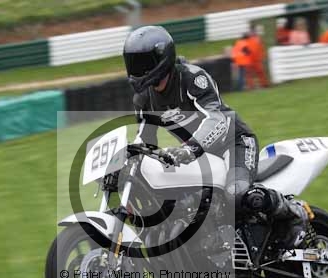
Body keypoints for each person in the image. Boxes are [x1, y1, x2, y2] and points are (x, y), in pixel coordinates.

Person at [122, 26, 309, 248]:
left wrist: (190, 148)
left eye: (143, 63)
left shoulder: (192, 77)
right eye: (133, 63)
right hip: (199, 156)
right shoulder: (144, 99)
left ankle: (294, 213)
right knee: (182, 201)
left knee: (237, 194)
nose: (137, 70)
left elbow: (217, 117)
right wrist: (126, 155)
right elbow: (144, 138)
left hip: (235, 143)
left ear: (162, 58)